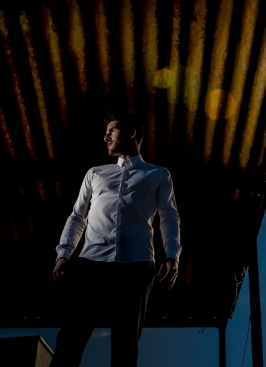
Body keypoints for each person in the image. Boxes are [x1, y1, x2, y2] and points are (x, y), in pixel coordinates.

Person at [50, 112, 181, 367]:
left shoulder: (158, 174)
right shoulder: (95, 173)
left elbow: (169, 217)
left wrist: (172, 255)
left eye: (112, 130)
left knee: (125, 346)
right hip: (91, 265)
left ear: (131, 132)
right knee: (70, 340)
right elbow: (77, 216)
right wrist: (64, 253)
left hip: (137, 266)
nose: (105, 136)